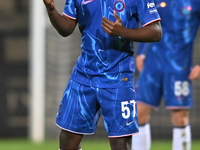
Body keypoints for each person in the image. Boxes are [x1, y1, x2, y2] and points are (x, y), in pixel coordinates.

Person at [43, 0, 162, 149]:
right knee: (68, 138)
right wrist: (51, 9)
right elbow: (66, 28)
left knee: (120, 142)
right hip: (84, 76)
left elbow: (156, 31)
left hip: (119, 78)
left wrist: (123, 31)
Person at [132, 0, 200, 150]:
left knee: (180, 116)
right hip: (153, 64)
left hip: (179, 67)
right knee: (138, 112)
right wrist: (141, 54)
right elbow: (148, 23)